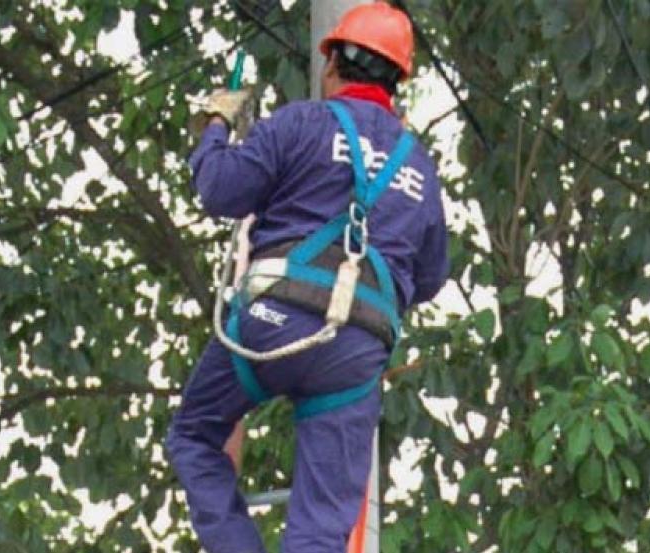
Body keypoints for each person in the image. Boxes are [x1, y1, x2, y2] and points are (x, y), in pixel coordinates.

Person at [165, 3, 448, 552]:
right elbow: (430, 275)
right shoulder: (420, 167)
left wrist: (216, 127)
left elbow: (221, 189)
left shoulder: (301, 122)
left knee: (196, 435)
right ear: (397, 83)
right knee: (320, 528)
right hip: (355, 350)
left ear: (333, 64)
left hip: (274, 321)